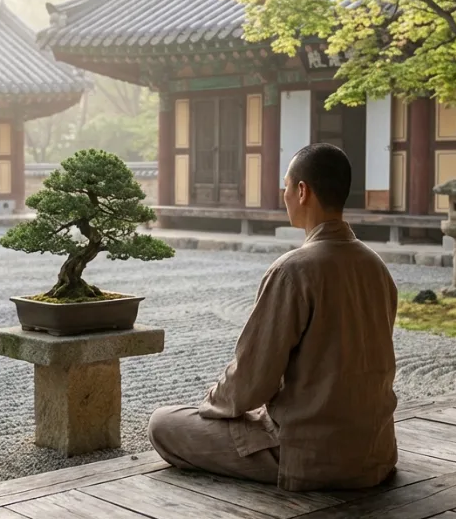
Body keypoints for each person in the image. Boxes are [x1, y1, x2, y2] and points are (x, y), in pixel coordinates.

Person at [147, 142, 399, 492]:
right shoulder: (376, 266)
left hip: (305, 454)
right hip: (375, 452)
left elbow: (251, 380)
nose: (283, 195)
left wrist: (212, 403)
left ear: (301, 190)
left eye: (285, 186)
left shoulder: (293, 270)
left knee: (163, 423)